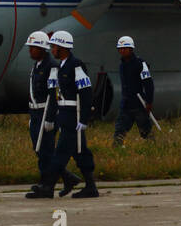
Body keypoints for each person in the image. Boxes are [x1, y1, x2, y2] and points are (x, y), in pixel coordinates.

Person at [28, 30, 98, 198]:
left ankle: (48, 187)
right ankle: (90, 187)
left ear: (63, 48)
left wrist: (83, 119)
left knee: (60, 153)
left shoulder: (76, 65)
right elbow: (55, 95)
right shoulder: (60, 67)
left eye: (54, 47)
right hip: (64, 114)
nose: (52, 50)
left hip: (74, 115)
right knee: (80, 152)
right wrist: (53, 116)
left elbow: (86, 93)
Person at [22, 30, 79, 196]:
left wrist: (49, 118)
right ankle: (66, 178)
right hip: (35, 113)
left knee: (46, 151)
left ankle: (47, 186)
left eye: (33, 47)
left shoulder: (51, 67)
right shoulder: (38, 66)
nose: (30, 50)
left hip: (45, 113)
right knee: (40, 150)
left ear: (42, 49)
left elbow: (53, 94)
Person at [112, 35, 155, 145]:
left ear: (131, 49)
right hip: (126, 105)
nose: (122, 51)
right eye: (120, 49)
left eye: (125, 48)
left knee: (146, 132)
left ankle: (153, 148)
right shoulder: (121, 65)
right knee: (119, 130)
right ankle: (117, 148)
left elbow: (148, 84)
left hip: (139, 104)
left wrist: (149, 102)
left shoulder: (140, 64)